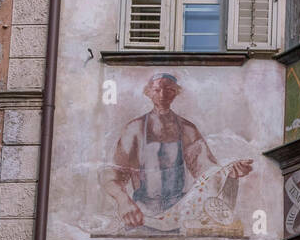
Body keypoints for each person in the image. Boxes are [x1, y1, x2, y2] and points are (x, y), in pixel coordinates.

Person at [102, 73, 252, 230]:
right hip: (140, 216)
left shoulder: (188, 129)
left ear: (176, 93)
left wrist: (229, 171)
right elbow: (111, 176)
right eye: (157, 90)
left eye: (169, 90)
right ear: (148, 92)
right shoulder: (134, 129)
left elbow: (206, 171)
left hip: (179, 216)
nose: (162, 95)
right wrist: (123, 201)